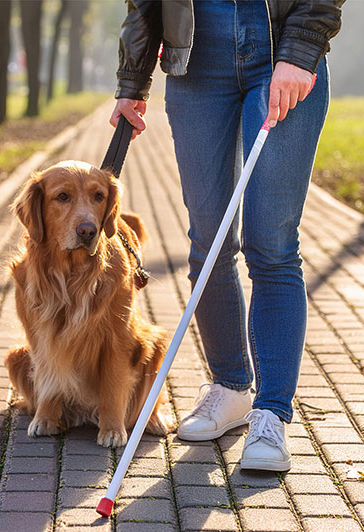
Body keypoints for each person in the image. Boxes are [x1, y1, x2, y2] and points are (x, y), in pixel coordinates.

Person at [111, 0, 344, 472]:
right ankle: (231, 388)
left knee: (272, 247)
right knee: (209, 242)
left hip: (279, 47)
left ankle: (271, 414)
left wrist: (300, 52)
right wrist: (132, 82)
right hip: (196, 60)